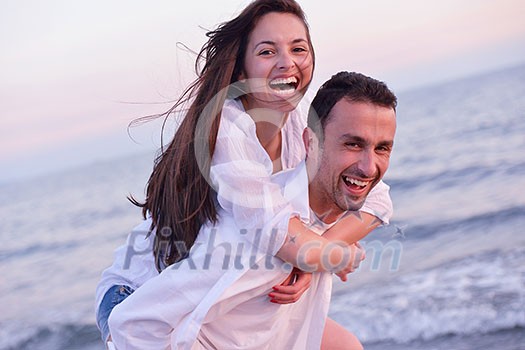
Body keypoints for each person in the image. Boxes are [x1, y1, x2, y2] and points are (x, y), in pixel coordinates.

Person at [96, 0, 395, 347]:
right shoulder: (224, 128)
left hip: (221, 296)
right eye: (268, 51)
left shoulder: (302, 125)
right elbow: (275, 233)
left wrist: (317, 256)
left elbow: (376, 197)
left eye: (298, 48)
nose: (288, 61)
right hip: (142, 291)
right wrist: (329, 255)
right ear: (241, 71)